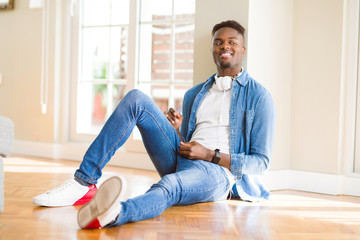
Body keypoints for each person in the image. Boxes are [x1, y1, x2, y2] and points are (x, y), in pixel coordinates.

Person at [33, 20, 275, 229]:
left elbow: (261, 163)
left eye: (232, 42)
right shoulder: (195, 94)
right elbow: (189, 142)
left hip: (218, 174)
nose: (225, 46)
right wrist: (178, 131)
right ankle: (83, 182)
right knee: (136, 98)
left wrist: (210, 154)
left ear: (242, 49)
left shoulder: (259, 97)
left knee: (169, 184)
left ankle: (112, 214)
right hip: (183, 158)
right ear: (212, 48)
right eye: (219, 42)